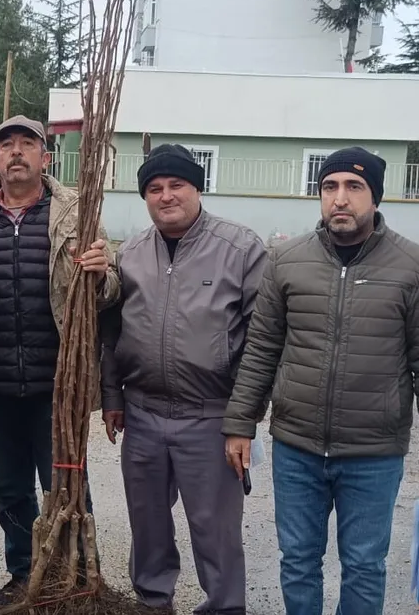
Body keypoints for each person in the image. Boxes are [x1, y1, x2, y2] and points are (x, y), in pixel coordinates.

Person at [0, 115, 120, 606]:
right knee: (9, 487)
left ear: (44, 157)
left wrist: (100, 275)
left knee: (66, 480)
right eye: (6, 145)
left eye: (26, 145)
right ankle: (21, 573)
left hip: (57, 378)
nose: (16, 152)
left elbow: (111, 291)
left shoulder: (77, 211)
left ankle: (72, 576)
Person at [224, 147, 419, 615]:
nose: (340, 199)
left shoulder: (410, 267)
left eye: (354, 187)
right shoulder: (287, 260)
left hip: (373, 451)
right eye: (329, 187)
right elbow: (262, 349)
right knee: (298, 561)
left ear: (376, 196)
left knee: (365, 564)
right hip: (298, 448)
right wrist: (240, 423)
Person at [100, 143, 266, 614]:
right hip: (145, 414)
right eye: (154, 188)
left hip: (211, 417)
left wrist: (243, 420)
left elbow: (262, 342)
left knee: (215, 528)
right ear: (144, 197)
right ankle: (154, 601)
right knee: (147, 523)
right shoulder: (129, 254)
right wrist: (113, 397)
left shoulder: (241, 250)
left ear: (197, 187)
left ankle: (224, 606)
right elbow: (111, 333)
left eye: (176, 185)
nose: (166, 196)